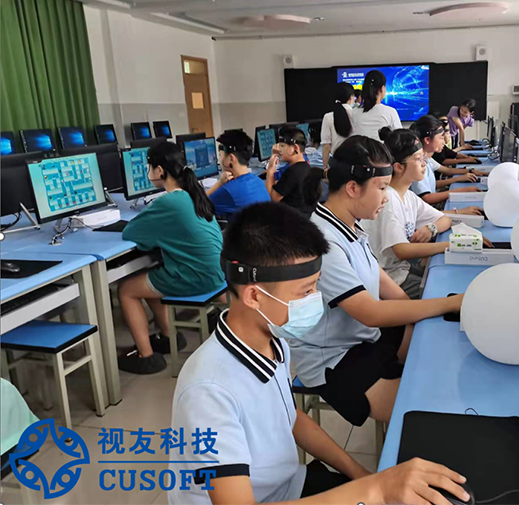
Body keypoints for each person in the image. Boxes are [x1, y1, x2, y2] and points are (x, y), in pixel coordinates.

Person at [169, 202, 470, 505]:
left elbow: (290, 418)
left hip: (290, 487)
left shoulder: (273, 340)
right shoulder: (209, 391)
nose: (316, 299)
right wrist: (376, 489)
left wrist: (362, 475)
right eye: (306, 291)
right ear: (255, 296)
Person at [290, 136, 465, 428]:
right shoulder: (323, 241)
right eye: (382, 188)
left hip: (363, 337)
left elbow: (387, 286)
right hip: (334, 358)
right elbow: (371, 313)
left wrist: (423, 314)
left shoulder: (350, 225)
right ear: (352, 188)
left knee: (435, 345)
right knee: (427, 405)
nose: (386, 197)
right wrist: (449, 303)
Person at [120, 141, 224, 374]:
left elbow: (130, 232)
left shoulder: (168, 202)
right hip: (216, 272)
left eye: (149, 167)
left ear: (159, 170)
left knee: (126, 290)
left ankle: (146, 356)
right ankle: (169, 336)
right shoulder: (193, 193)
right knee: (150, 279)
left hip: (197, 277)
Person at [362, 129, 452, 299]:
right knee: (443, 293)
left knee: (443, 279)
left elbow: (444, 219)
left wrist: (431, 228)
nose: (425, 164)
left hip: (401, 269)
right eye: (419, 159)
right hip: (391, 280)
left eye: (424, 158)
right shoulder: (389, 200)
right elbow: (401, 250)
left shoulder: (408, 196)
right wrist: (449, 246)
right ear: (398, 167)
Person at [410, 115, 487, 209]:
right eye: (441, 138)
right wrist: (461, 191)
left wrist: (465, 175)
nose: (444, 142)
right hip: (428, 209)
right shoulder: (418, 164)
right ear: (427, 140)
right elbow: (427, 198)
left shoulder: (427, 158)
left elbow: (432, 184)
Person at [206, 129, 270, 217]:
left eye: (220, 155)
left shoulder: (228, 191)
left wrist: (219, 183)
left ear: (231, 158)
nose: (219, 160)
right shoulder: (258, 181)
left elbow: (196, 206)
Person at [266, 126, 321, 216]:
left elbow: (273, 198)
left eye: (282, 146)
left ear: (295, 148)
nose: (279, 150)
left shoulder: (292, 172)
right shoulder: (305, 166)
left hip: (291, 219)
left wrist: (270, 169)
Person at [352, 70, 402, 141]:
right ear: (382, 88)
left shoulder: (354, 112)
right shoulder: (390, 112)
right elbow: (400, 138)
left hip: (359, 148)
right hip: (382, 148)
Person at [321, 82, 355, 169]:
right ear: (351, 97)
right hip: (355, 163)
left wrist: (325, 167)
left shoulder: (328, 117)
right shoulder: (357, 115)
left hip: (336, 164)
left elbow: (326, 145)